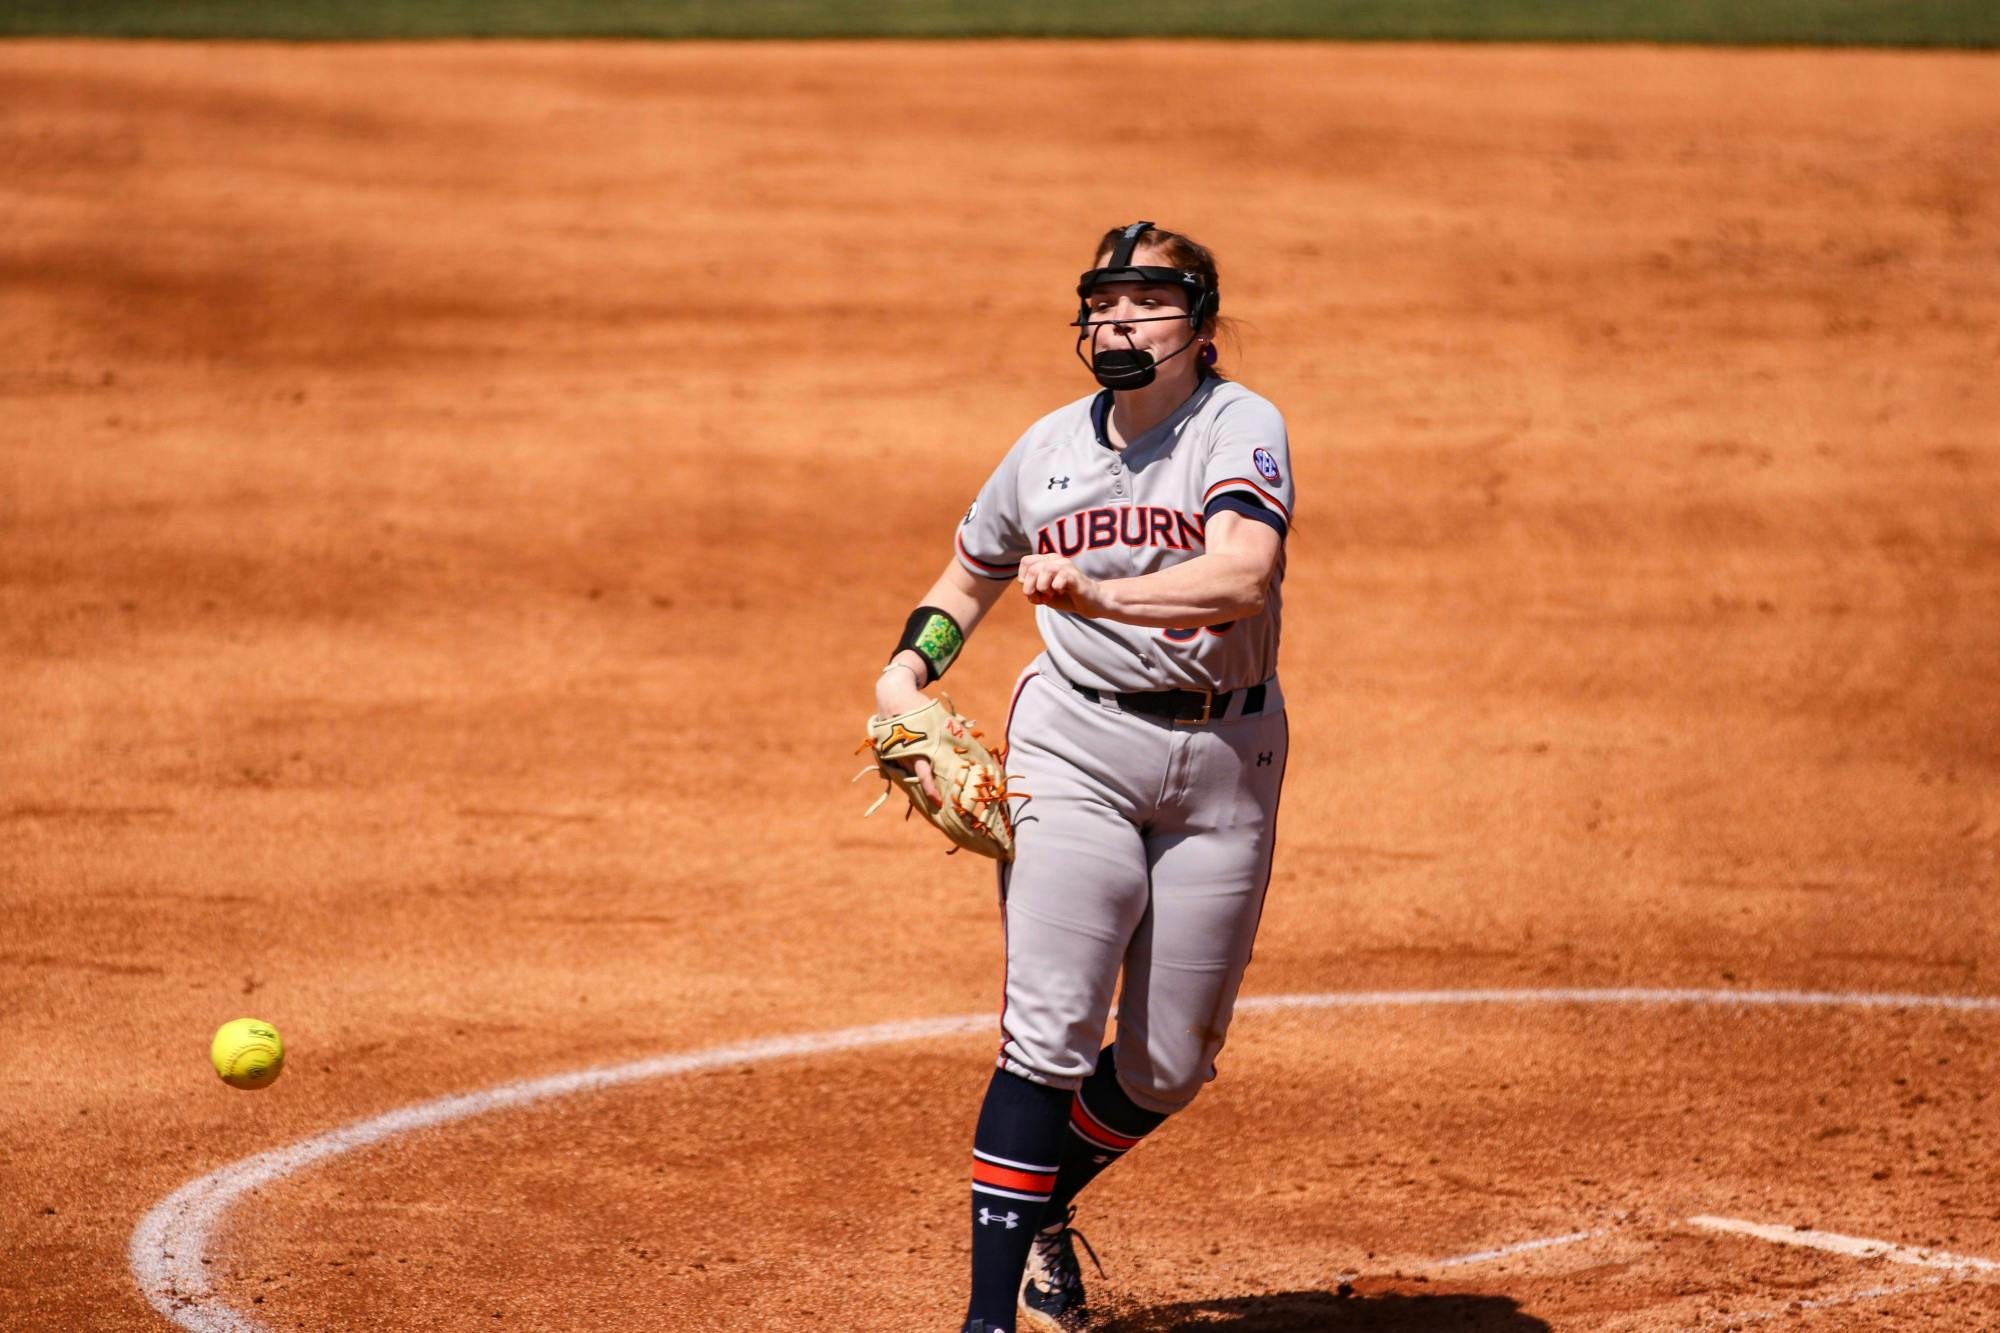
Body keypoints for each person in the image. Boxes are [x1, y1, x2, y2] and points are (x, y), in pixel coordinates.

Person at [870, 221, 1294, 1333]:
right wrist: (903, 673)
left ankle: (1037, 1202)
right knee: (1049, 1034)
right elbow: (967, 577)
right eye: (1101, 302)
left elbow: (1242, 574)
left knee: (1164, 1065)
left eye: (1145, 301)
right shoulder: (1046, 448)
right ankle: (986, 1318)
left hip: (1225, 761)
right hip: (1075, 748)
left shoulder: (1237, 427)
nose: (1115, 320)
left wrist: (1097, 595)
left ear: (1199, 326)